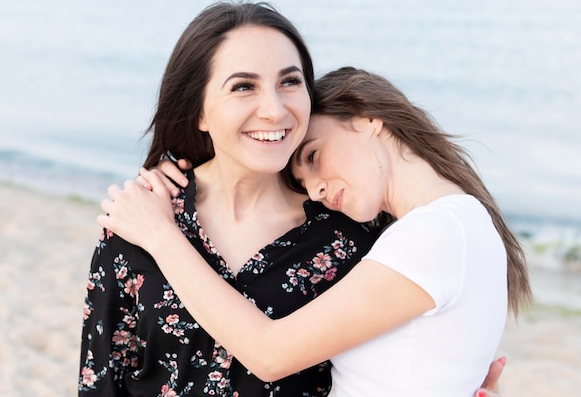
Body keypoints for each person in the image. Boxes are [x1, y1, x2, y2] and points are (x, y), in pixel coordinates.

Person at [98, 67, 531, 396]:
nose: (317, 190)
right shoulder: (444, 228)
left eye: (314, 155)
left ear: (367, 120)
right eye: (303, 182)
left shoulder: (438, 232)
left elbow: (270, 353)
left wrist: (159, 234)